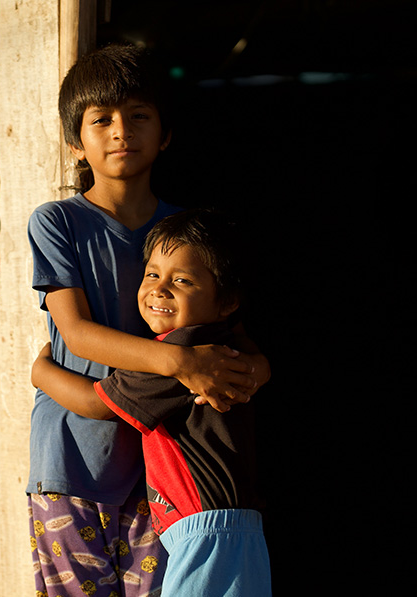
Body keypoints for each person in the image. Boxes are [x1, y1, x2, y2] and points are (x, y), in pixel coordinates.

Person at [27, 43, 270, 596]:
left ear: (164, 134)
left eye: (139, 116)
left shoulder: (185, 232)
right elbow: (78, 332)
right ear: (75, 142)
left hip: (161, 470)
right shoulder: (58, 222)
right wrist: (181, 362)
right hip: (70, 460)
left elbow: (237, 345)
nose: (121, 131)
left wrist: (255, 371)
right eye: (101, 119)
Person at [33, 209, 271, 597]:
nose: (160, 289)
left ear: (227, 301)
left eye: (182, 280)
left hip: (205, 534)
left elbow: (95, 404)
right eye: (152, 275)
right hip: (233, 528)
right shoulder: (225, 350)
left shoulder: (180, 357)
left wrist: (41, 372)